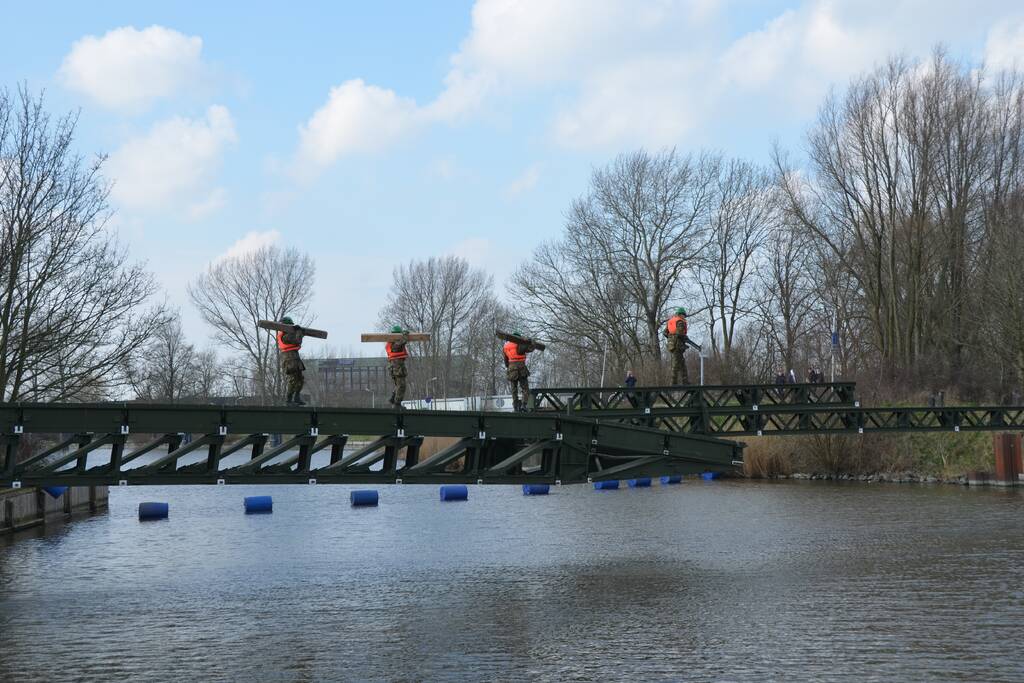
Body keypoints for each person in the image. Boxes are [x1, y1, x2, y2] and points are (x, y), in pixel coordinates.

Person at [503, 330, 539, 412]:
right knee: (525, 388)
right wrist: (532, 342)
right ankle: (524, 405)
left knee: (514, 389)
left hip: (511, 369)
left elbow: (505, 360)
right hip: (521, 368)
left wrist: (509, 367)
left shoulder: (506, 347)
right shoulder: (520, 344)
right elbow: (530, 348)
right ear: (519, 337)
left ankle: (515, 406)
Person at [277, 316, 305, 406]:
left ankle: (297, 397)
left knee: (300, 379)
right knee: (293, 379)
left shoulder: (290, 334)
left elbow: (298, 338)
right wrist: (299, 331)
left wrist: (300, 332)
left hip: (295, 358)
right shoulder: (285, 336)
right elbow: (298, 340)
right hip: (290, 360)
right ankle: (288, 400)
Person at [663, 307, 690, 385]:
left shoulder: (671, 321)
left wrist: (671, 337)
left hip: (672, 345)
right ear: (681, 314)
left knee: (682, 364)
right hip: (678, 345)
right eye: (684, 315)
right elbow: (680, 333)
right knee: (676, 364)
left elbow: (665, 332)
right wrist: (685, 337)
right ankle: (673, 382)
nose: (684, 317)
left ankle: (685, 382)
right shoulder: (680, 322)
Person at [385, 325, 410, 409]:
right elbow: (401, 342)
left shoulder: (391, 343)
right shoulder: (394, 344)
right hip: (397, 366)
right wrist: (405, 335)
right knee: (402, 385)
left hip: (395, 365)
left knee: (398, 384)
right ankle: (397, 404)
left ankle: (393, 399)